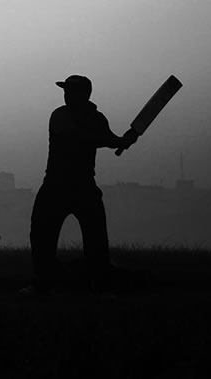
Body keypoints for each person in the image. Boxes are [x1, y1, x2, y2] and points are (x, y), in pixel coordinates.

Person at [27, 75, 138, 293]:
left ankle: (97, 279)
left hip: (83, 185)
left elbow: (105, 137)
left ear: (84, 94)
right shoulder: (60, 116)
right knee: (41, 234)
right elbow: (78, 136)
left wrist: (123, 141)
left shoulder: (97, 118)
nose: (66, 95)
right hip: (56, 184)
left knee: (95, 237)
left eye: (71, 91)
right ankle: (45, 280)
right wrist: (115, 141)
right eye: (65, 91)